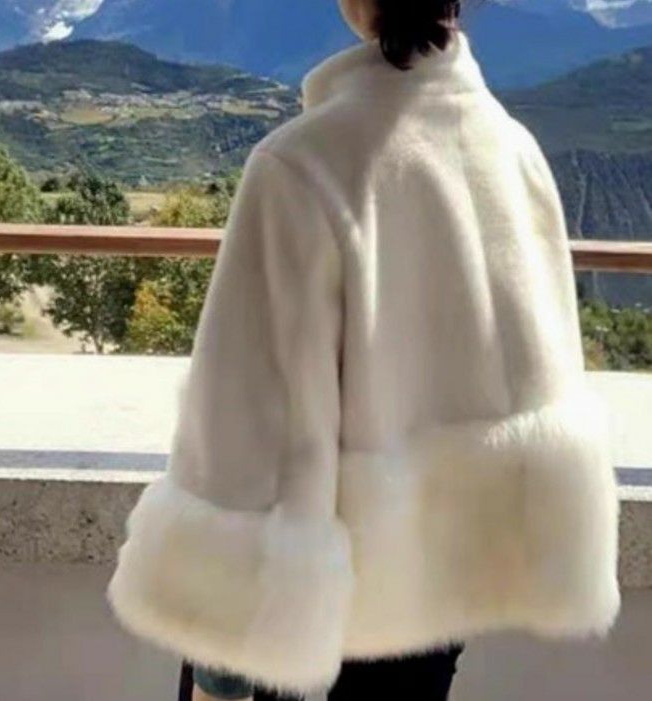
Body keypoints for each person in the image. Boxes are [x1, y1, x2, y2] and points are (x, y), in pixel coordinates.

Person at [106, 1, 622, 700]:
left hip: (313, 607)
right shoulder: (510, 149)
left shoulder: (299, 166)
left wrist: (218, 673)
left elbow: (247, 434)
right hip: (441, 588)